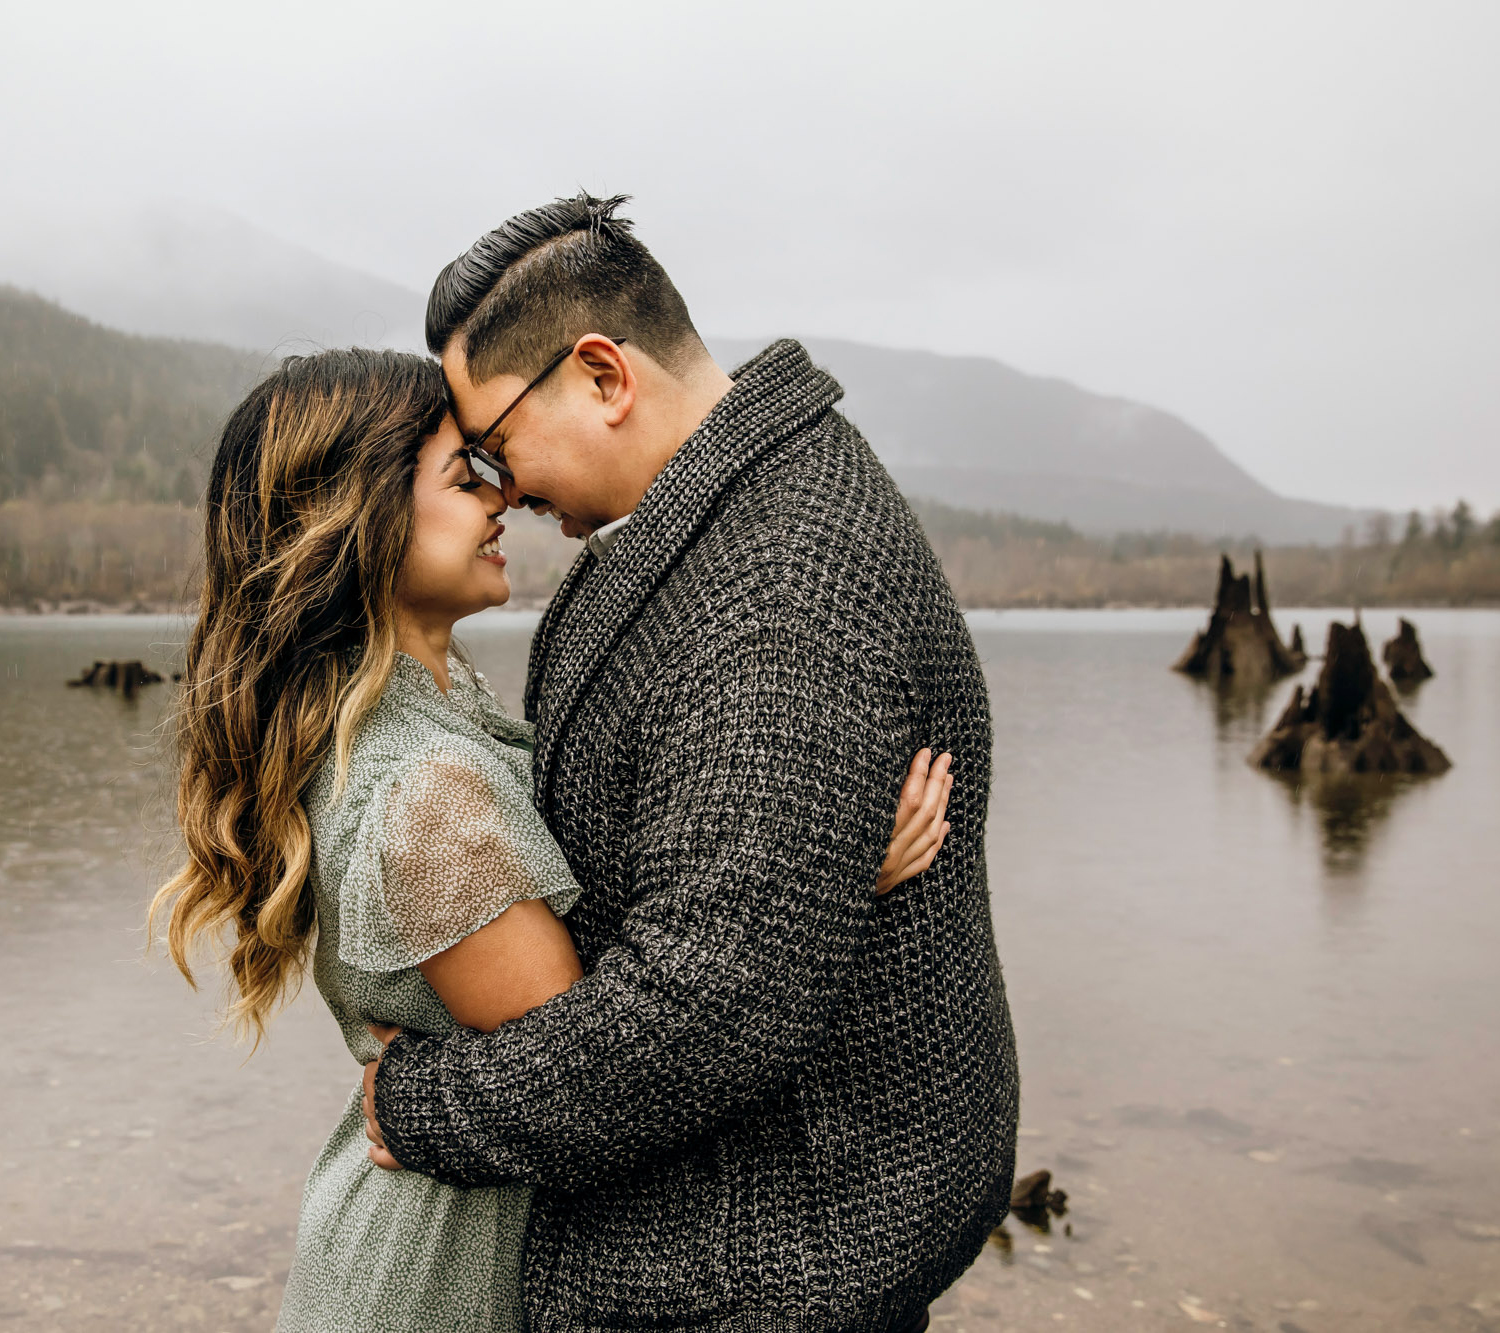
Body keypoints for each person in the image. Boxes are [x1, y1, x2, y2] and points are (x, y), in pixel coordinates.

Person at [151, 346, 956, 1332]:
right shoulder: (425, 792)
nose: (503, 500)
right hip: (440, 1276)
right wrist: (811, 873)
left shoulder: (441, 716)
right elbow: (611, 1066)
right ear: (365, 518)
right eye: (463, 476)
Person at [357, 194, 1020, 1332]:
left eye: (496, 444)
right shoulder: (722, 526)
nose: (501, 486)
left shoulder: (781, 590)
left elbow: (707, 1002)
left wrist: (424, 1107)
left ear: (603, 375)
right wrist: (824, 885)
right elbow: (717, 924)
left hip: (773, 1265)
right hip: (760, 1237)